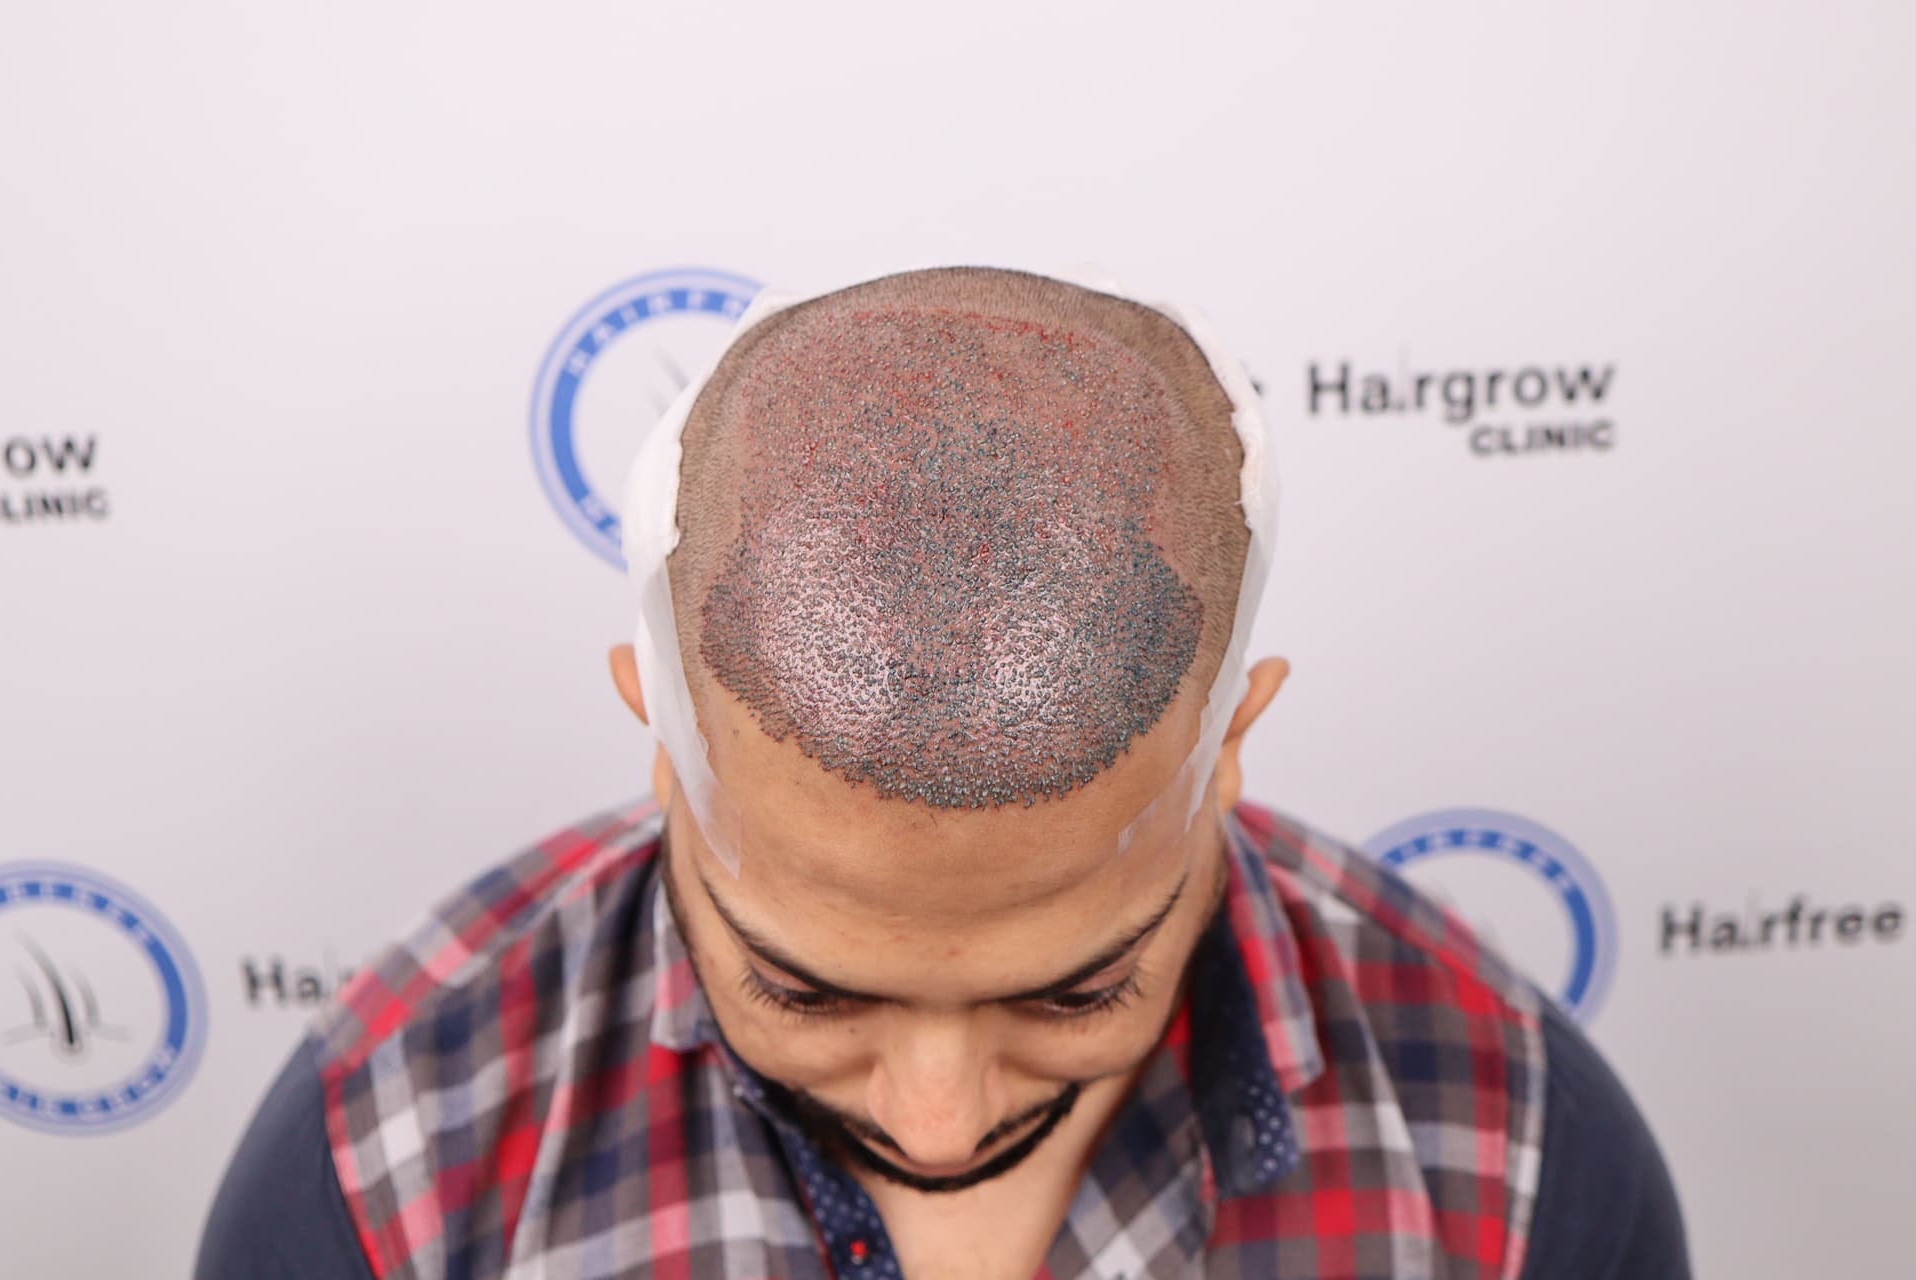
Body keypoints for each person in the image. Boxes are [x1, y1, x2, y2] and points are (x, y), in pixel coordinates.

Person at [197, 267, 1688, 1279]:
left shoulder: (1507, 1144)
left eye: (1075, 994)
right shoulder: (397, 1153)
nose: (938, 1122)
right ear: (664, 740)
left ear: (1227, 747)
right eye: (804, 992)